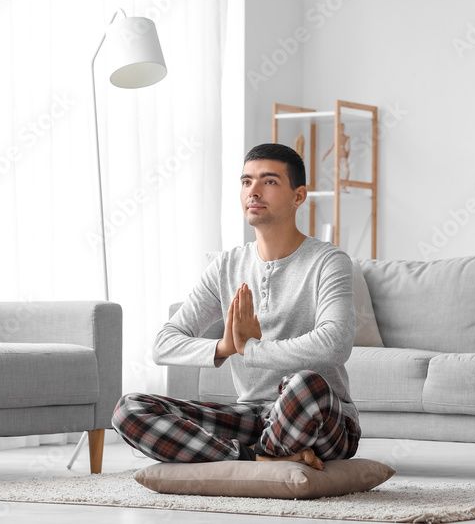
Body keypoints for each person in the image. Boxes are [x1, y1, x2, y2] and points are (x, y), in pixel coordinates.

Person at [112, 143, 360, 470]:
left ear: (299, 196)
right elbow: (163, 345)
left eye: (268, 182)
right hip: (253, 416)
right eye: (246, 182)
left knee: (305, 384)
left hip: (323, 418)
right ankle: (257, 458)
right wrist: (225, 346)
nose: (253, 191)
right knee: (129, 409)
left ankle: (253, 456)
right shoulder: (227, 265)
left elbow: (335, 343)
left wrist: (250, 349)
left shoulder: (328, 261)